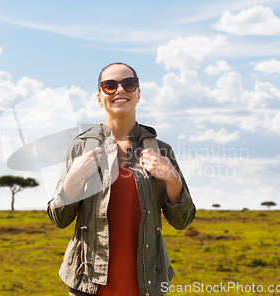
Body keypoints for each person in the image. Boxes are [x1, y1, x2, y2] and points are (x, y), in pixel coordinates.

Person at [47, 62, 196, 296]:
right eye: (109, 85)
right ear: (99, 97)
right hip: (88, 285)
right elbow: (59, 219)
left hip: (147, 285)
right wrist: (74, 179)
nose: (120, 90)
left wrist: (173, 180)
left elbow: (182, 221)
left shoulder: (161, 150)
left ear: (138, 93)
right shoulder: (81, 147)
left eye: (129, 84)